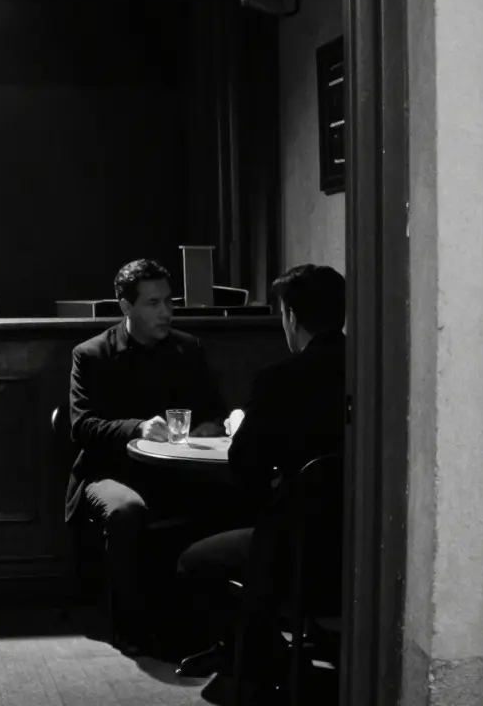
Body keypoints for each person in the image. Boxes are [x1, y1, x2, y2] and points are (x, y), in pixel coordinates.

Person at [173, 264, 347, 684]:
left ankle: (259, 659)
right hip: (360, 546)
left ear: (288, 315)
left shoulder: (280, 381)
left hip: (296, 551)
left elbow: (244, 470)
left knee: (195, 561)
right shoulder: (375, 372)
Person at [67, 258, 235, 653]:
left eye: (169, 302)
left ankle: (210, 627)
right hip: (109, 470)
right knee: (127, 511)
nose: (166, 312)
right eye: (153, 303)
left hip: (177, 470)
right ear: (126, 307)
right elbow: (82, 426)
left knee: (233, 499)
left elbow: (215, 409)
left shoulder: (186, 348)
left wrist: (212, 425)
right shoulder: (92, 355)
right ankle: (131, 628)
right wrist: (137, 427)